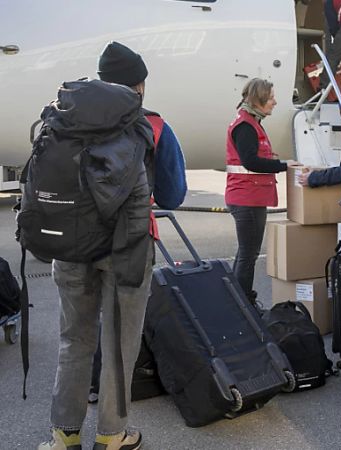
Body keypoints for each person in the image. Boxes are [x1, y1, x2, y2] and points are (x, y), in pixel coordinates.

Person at [39, 41, 187, 450]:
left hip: (69, 248)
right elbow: (173, 195)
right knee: (120, 346)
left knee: (74, 340)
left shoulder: (65, 120)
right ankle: (112, 435)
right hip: (128, 249)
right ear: (139, 86)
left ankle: (64, 436)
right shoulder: (153, 125)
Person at [225, 78, 300, 303]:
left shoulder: (250, 122)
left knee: (246, 254)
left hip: (250, 197)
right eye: (271, 98)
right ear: (258, 100)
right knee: (249, 255)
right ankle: (244, 303)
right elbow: (250, 162)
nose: (275, 102)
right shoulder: (246, 126)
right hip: (247, 198)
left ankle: (240, 302)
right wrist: (283, 165)